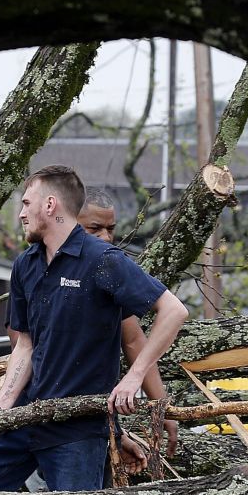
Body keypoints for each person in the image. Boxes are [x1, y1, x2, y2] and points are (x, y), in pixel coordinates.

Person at [0, 166, 188, 492]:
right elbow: (25, 345)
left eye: (26, 203)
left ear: (50, 206)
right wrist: (3, 404)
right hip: (24, 417)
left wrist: (133, 380)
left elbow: (174, 311)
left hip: (77, 430)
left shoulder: (103, 260)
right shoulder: (25, 265)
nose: (20, 214)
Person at [77, 191, 180, 461]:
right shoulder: (37, 268)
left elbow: (134, 340)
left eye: (110, 229)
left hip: (93, 417)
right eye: (95, 229)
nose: (106, 237)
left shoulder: (107, 269)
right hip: (42, 416)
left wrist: (161, 408)